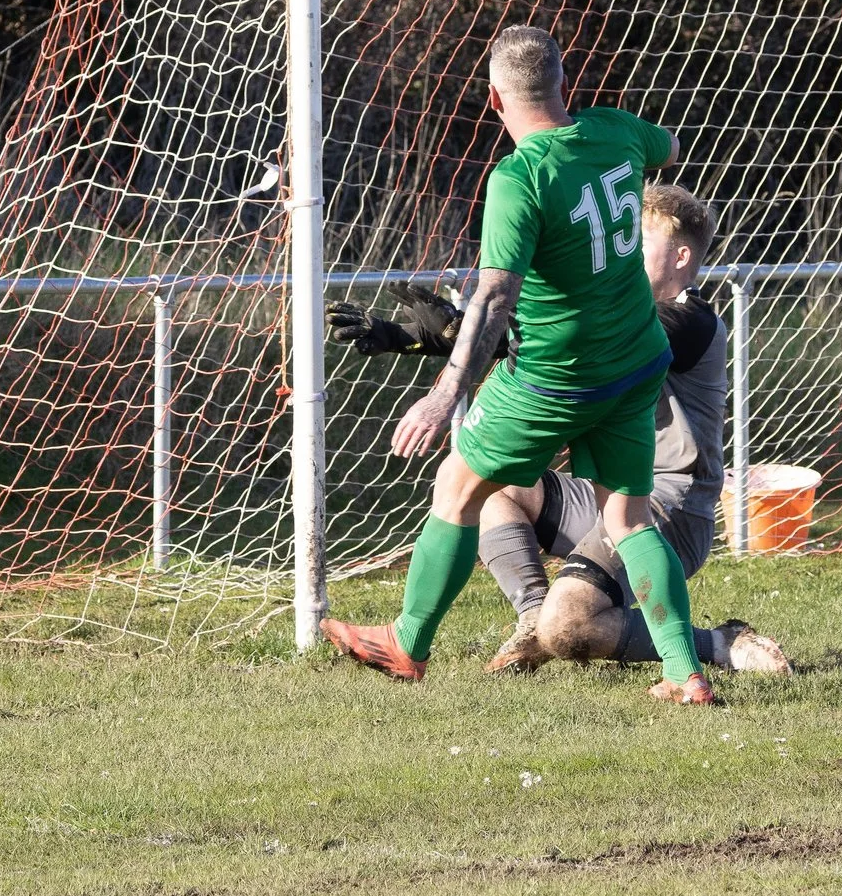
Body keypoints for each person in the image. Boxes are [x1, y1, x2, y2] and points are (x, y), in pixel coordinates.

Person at [318, 26, 713, 704]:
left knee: (457, 485)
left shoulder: (519, 176)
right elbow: (668, 146)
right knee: (628, 518)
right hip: (634, 362)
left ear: (494, 101)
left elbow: (497, 294)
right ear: (566, 86)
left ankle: (408, 644)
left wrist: (446, 393)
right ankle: (685, 674)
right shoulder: (616, 132)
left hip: (557, 374)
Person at [330, 183, 790, 675]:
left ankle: (719, 644)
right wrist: (412, 337)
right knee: (491, 487)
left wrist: (457, 330)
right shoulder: (618, 315)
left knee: (570, 628)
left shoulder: (691, 321)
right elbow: (551, 341)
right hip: (601, 496)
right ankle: (532, 618)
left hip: (670, 506)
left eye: (638, 241)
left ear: (680, 255)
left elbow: (569, 342)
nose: (622, 252)